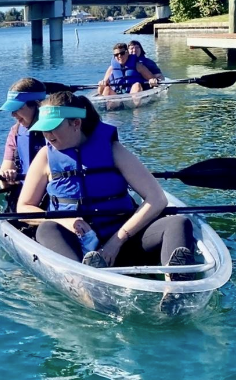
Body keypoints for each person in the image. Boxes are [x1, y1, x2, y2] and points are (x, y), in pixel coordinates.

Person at [16, 91, 195, 279]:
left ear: (75, 123)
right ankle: (84, 285)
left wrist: (116, 241)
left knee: (178, 222)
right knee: (47, 229)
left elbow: (157, 199)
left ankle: (175, 287)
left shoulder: (113, 150)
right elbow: (23, 207)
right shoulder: (45, 156)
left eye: (53, 128)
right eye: (44, 129)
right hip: (75, 245)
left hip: (122, 241)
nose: (47, 135)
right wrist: (64, 221)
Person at [0, 77, 49, 185]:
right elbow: (3, 180)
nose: (13, 114)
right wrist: (7, 175)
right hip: (27, 194)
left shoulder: (59, 130)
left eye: (18, 108)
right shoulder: (15, 132)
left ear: (37, 105)